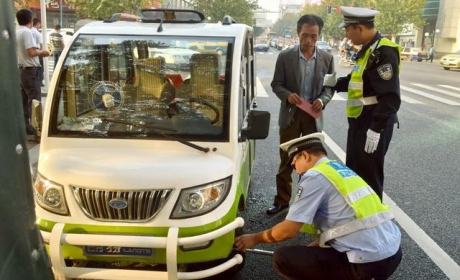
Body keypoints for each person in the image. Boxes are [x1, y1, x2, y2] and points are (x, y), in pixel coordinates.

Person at [234, 132, 402, 280]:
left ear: (305, 156)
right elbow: (343, 222)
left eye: (294, 165)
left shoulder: (314, 176)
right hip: (393, 252)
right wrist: (310, 253)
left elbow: (287, 230)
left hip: (368, 264)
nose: (296, 171)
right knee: (306, 257)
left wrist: (253, 239)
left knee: (282, 258)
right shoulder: (338, 169)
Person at [324, 6, 401, 201]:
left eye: (348, 30)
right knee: (355, 172)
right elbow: (356, 81)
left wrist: (376, 129)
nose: (347, 36)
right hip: (360, 122)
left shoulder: (383, 52)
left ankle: (374, 225)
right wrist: (333, 83)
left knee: (369, 176)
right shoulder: (367, 51)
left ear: (359, 28)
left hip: (374, 124)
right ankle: (359, 219)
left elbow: (390, 97)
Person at [268, 14, 335, 215]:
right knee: (287, 160)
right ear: (298, 33)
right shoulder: (285, 57)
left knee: (314, 163)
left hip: (312, 118)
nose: (308, 41)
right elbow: (276, 84)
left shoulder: (327, 58)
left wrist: (323, 100)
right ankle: (281, 201)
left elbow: (330, 88)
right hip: (290, 116)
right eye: (305, 35)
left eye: (313, 36)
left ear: (319, 35)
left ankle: (309, 204)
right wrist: (288, 96)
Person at [16, 9, 50, 138]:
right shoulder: (27, 32)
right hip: (30, 71)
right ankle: (38, 132)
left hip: (21, 70)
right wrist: (42, 52)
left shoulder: (17, 32)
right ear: (31, 20)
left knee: (24, 101)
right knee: (35, 102)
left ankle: (27, 128)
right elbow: (31, 52)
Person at [31, 17, 44, 85]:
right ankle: (40, 80)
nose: (40, 26)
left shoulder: (29, 31)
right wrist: (42, 52)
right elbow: (41, 45)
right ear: (37, 24)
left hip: (30, 52)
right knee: (40, 66)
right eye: (39, 24)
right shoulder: (37, 33)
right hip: (37, 51)